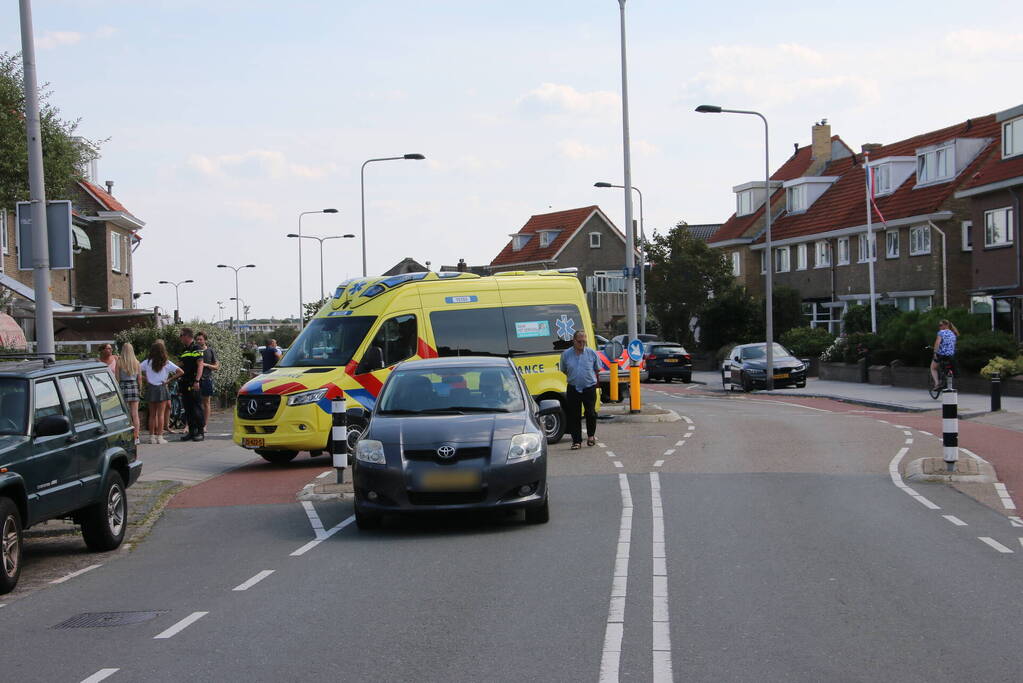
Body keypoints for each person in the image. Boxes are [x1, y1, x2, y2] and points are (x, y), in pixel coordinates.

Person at [560, 329, 602, 450]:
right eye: (579, 341)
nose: (582, 344)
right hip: (573, 388)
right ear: (574, 341)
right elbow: (563, 369)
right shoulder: (566, 354)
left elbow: (597, 368)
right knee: (574, 415)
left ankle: (590, 436)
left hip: (589, 388)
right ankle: (576, 441)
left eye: (584, 341)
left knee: (590, 413)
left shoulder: (591, 353)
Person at [140, 340, 182, 444]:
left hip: (151, 388)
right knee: (161, 414)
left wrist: (146, 378)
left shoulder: (147, 362)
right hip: (162, 387)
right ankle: (160, 437)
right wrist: (169, 380)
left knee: (152, 414)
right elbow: (181, 372)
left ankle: (151, 437)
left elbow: (135, 370)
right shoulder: (166, 362)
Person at [178, 327, 206, 442]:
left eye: (181, 335)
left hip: (194, 383)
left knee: (196, 408)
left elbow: (200, 365)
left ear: (187, 336)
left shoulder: (196, 348)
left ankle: (200, 432)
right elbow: (180, 365)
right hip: (185, 382)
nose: (180, 338)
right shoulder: (184, 350)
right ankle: (192, 431)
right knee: (188, 408)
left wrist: (197, 380)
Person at [118, 342, 143, 443]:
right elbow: (140, 378)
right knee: (135, 414)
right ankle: (136, 437)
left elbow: (117, 378)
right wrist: (140, 389)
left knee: (126, 413)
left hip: (123, 386)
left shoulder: (119, 362)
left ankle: (127, 436)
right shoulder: (137, 362)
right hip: (134, 386)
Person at [196, 331, 219, 433]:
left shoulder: (210, 351)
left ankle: (204, 425)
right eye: (197, 339)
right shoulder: (194, 350)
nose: (198, 341)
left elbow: (217, 366)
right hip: (195, 380)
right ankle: (189, 426)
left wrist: (206, 365)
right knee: (193, 403)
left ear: (205, 340)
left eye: (200, 339)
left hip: (206, 379)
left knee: (206, 402)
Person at [930, 319, 960, 388]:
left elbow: (937, 343)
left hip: (942, 355)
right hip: (951, 356)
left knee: (933, 368)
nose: (939, 327)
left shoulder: (941, 332)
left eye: (940, 325)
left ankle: (937, 384)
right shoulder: (953, 333)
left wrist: (935, 353)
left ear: (946, 325)